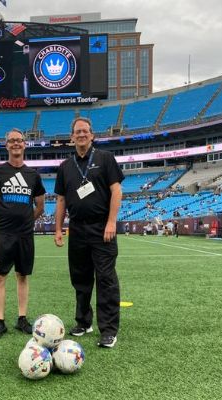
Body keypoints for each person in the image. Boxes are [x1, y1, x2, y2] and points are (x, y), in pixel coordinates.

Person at [54, 117, 124, 349]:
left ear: (92, 135)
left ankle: (109, 330)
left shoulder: (105, 158)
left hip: (102, 227)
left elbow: (116, 191)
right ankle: (84, 322)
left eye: (85, 131)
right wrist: (58, 229)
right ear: (72, 137)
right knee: (80, 279)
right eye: (77, 131)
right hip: (77, 229)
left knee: (105, 279)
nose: (81, 134)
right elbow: (61, 200)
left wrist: (111, 222)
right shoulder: (65, 166)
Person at [0, 128, 45, 340]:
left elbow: (40, 206)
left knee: (23, 275)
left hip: (25, 235)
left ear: (25, 144)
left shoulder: (33, 175)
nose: (16, 143)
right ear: (6, 145)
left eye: (19, 140)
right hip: (3, 235)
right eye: (11, 141)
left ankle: (22, 318)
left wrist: (26, 222)